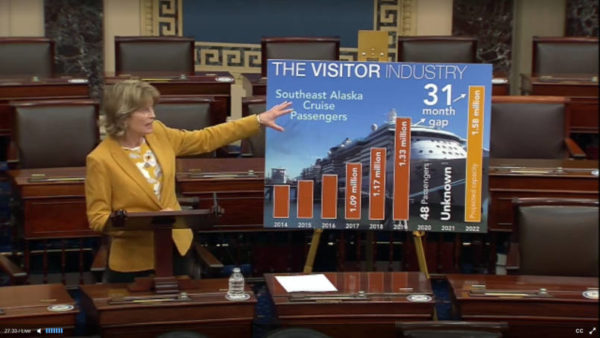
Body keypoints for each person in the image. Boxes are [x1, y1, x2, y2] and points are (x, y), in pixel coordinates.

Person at [85, 79, 292, 282]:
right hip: (134, 262)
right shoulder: (100, 159)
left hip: (178, 248)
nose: (153, 115)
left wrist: (257, 120)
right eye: (145, 110)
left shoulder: (159, 133)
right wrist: (149, 220)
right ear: (123, 116)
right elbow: (98, 219)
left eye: (152, 108)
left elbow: (205, 139)